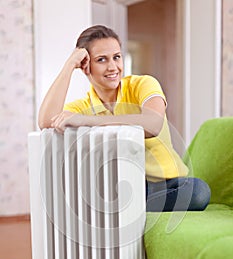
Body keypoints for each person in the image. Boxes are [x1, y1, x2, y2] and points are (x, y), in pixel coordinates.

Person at [38, 25, 210, 212]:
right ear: (85, 66)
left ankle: (126, 208)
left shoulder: (143, 84)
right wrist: (69, 66)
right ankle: (125, 205)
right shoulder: (85, 105)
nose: (113, 67)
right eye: (102, 59)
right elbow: (46, 122)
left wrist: (88, 121)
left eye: (117, 57)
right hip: (125, 186)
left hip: (170, 184)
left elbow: (153, 125)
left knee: (198, 192)